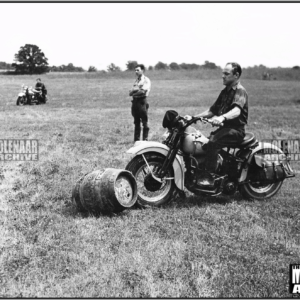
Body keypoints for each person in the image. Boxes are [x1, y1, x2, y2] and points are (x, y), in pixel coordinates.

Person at [185, 62, 248, 188]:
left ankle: (209, 177)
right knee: (206, 143)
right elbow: (211, 111)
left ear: (236, 75)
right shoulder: (225, 92)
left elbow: (237, 111)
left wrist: (222, 117)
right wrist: (193, 118)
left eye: (226, 73)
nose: (222, 76)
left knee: (213, 142)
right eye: (222, 73)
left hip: (236, 131)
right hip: (225, 130)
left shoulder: (240, 91)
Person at [129, 64, 151, 141]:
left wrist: (134, 92)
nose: (136, 71)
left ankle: (145, 139)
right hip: (135, 102)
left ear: (142, 70)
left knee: (144, 122)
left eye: (138, 70)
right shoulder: (136, 80)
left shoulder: (146, 80)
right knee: (136, 122)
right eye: (135, 70)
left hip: (142, 101)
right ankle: (136, 140)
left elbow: (142, 92)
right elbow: (130, 92)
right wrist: (134, 91)